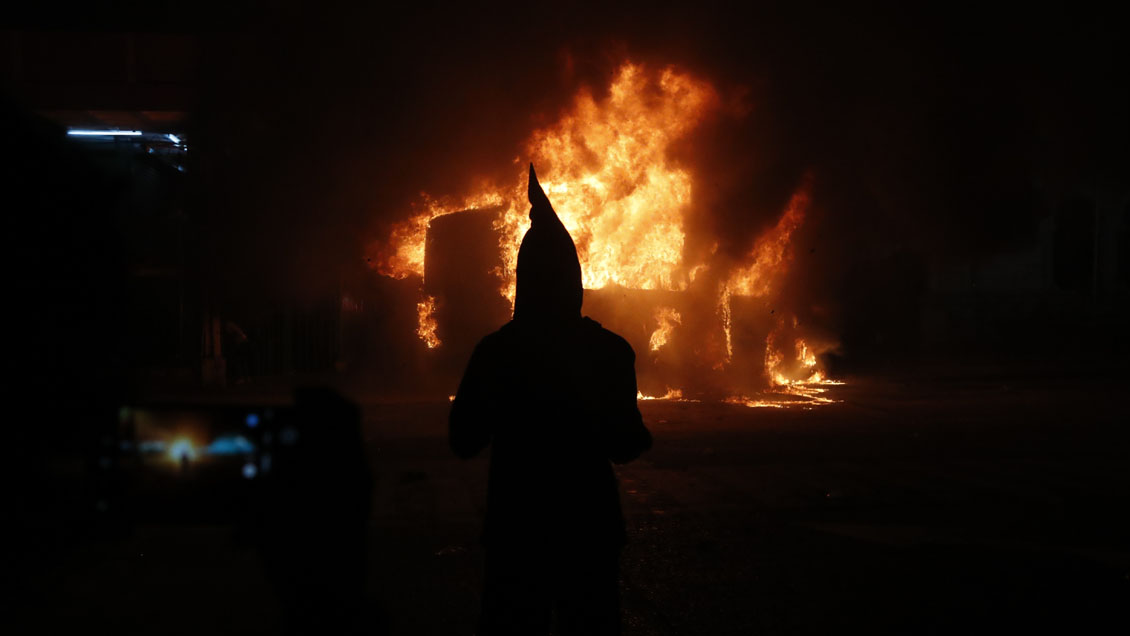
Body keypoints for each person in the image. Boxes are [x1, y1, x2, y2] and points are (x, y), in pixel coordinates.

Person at [450, 164, 652, 635]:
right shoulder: (609, 350)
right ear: (574, 279)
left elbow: (463, 438)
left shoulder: (497, 351)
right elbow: (625, 443)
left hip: (516, 529)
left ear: (523, 280)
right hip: (589, 529)